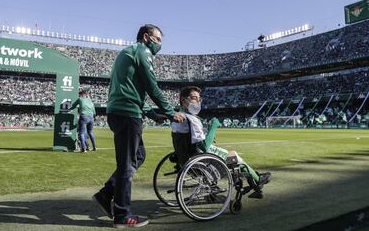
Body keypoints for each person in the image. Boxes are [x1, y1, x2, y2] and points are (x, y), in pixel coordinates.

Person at [93, 24, 185, 228]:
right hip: (127, 114)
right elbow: (152, 86)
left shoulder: (128, 53)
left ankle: (106, 194)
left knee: (138, 156)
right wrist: (171, 112)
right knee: (126, 165)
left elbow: (131, 90)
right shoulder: (142, 52)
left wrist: (152, 114)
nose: (160, 44)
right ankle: (122, 216)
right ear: (146, 37)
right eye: (158, 39)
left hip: (122, 111)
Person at [171, 86, 271, 198]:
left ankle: (256, 183)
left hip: (186, 159)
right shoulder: (192, 119)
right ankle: (257, 180)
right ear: (184, 100)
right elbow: (204, 146)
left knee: (233, 156)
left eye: (199, 99)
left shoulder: (178, 117)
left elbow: (191, 139)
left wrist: (207, 134)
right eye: (194, 98)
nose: (198, 101)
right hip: (202, 159)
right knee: (235, 157)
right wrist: (213, 126)